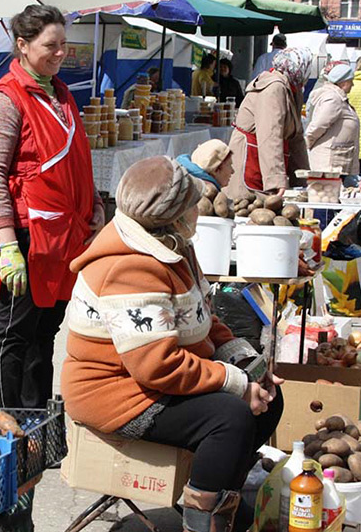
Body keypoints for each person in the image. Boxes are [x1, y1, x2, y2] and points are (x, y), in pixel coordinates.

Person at [61, 156, 283, 532]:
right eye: (192, 203)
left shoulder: (175, 247)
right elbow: (157, 365)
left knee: (268, 400)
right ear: (173, 216)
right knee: (230, 419)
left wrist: (250, 368)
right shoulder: (130, 269)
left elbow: (203, 319)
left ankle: (221, 496)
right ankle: (202, 520)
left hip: (154, 379)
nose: (199, 209)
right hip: (118, 395)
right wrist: (234, 384)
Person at [0, 4, 105, 410]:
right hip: (28, 239)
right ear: (22, 45)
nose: (61, 53)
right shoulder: (4, 101)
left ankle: (35, 421)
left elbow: (76, 158)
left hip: (66, 237)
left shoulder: (61, 94)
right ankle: (5, 425)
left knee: (44, 333)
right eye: (51, 45)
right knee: (13, 332)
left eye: (65, 44)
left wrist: (95, 204)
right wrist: (7, 242)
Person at [224, 48, 312, 201]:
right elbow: (270, 135)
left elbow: (296, 137)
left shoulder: (293, 89)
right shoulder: (275, 88)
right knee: (246, 207)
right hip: (251, 158)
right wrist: (276, 179)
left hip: (264, 158)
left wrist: (304, 179)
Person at [304, 62, 360, 180]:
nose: (353, 85)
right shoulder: (333, 98)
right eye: (351, 81)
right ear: (344, 83)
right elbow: (318, 125)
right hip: (329, 161)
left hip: (336, 160)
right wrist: (308, 143)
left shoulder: (338, 97)